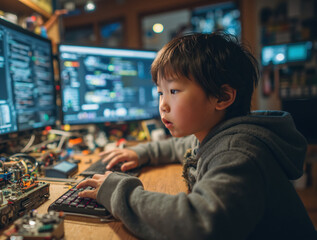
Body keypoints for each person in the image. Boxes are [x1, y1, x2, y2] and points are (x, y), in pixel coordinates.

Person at [77, 32, 317, 239]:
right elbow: (182, 146)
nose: (162, 105)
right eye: (160, 92)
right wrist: (140, 153)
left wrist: (120, 192)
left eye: (173, 91)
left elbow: (199, 224)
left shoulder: (238, 152)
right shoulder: (215, 133)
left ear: (222, 97)